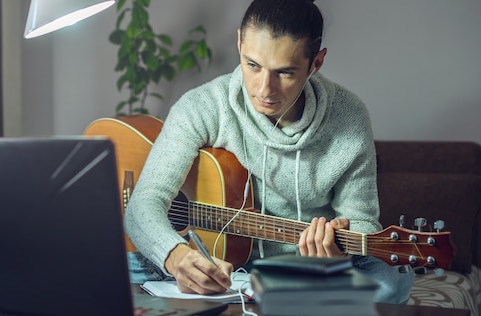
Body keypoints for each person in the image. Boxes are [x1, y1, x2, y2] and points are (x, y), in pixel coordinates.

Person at [124, 0, 414, 304]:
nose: (264, 89)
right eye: (252, 65)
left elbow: (364, 223)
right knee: (118, 264)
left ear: (316, 63)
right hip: (219, 259)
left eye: (284, 72)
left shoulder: (350, 118)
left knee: (389, 282)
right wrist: (176, 257)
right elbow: (143, 203)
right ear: (239, 42)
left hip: (303, 266)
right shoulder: (203, 106)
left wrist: (338, 247)